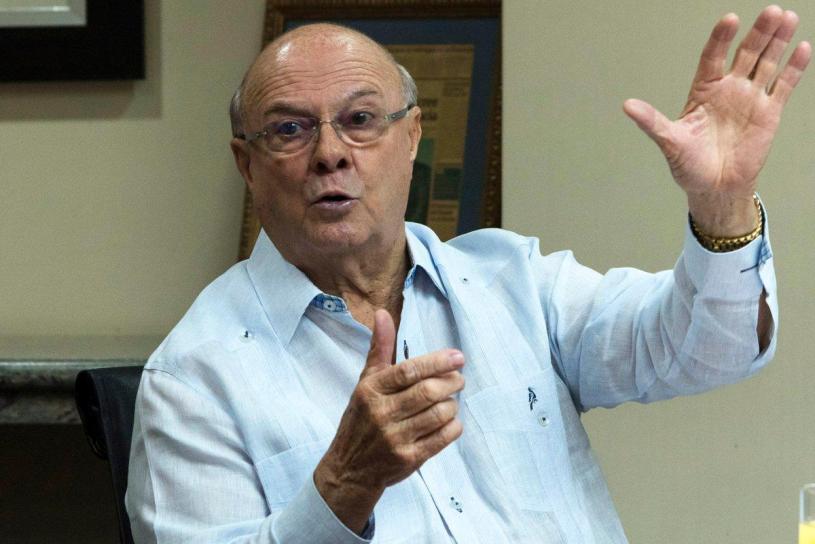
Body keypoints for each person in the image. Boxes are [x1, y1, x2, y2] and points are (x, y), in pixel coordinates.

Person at [126, 6, 810, 543]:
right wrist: (342, 489)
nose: (330, 152)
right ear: (246, 165)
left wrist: (720, 204)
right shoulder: (194, 380)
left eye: (360, 119)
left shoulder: (514, 283)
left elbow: (710, 350)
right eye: (289, 130)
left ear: (412, 136)